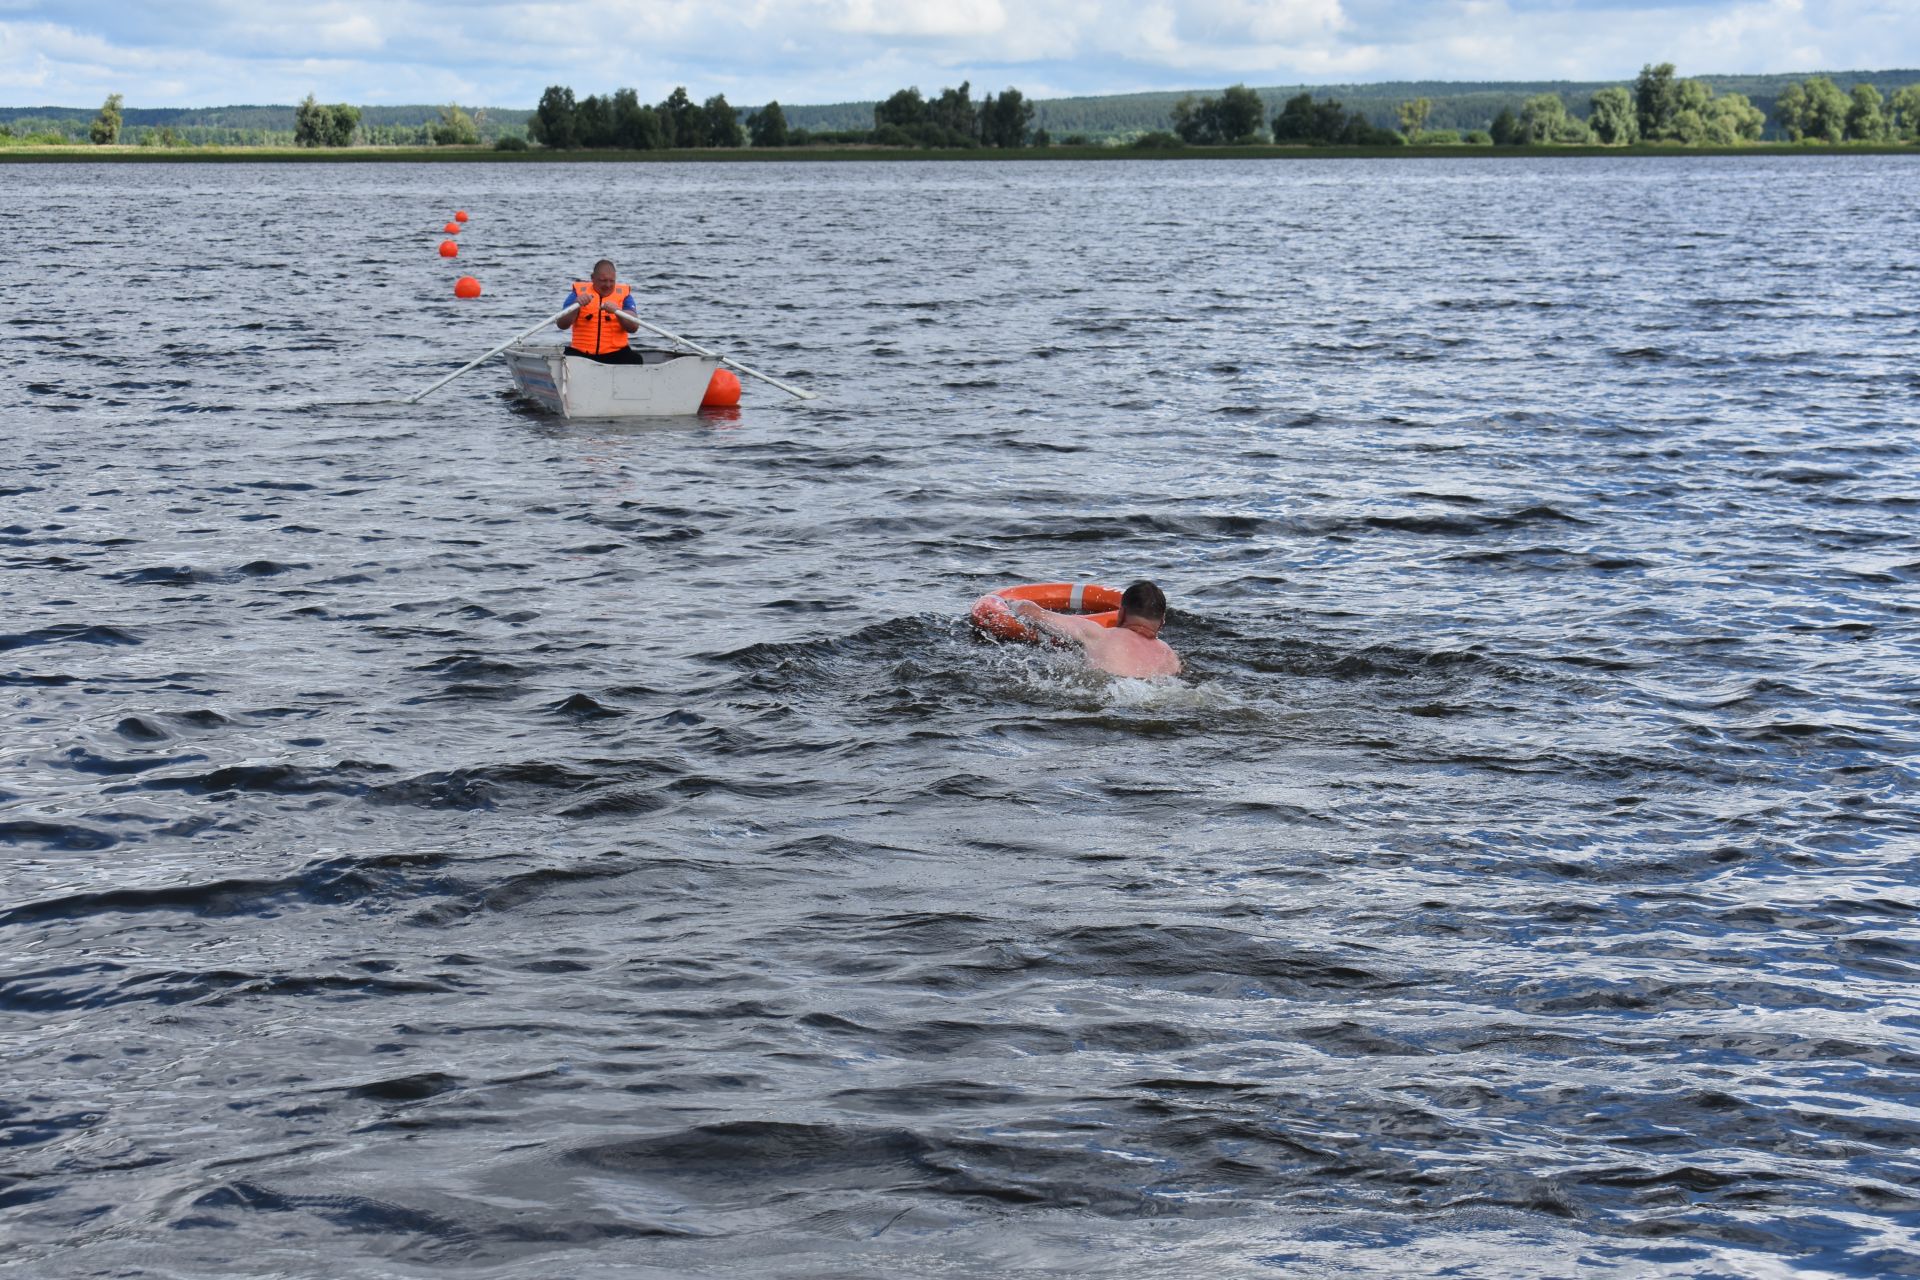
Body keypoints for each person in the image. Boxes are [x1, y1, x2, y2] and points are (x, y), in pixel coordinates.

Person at [1007, 580, 1182, 678]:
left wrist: (1010, 603)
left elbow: (1031, 612)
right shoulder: (1170, 656)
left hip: (1110, 692)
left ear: (1121, 614)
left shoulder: (1097, 634)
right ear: (1162, 621)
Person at [557, 259, 642, 363]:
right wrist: (576, 305)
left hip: (616, 353)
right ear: (593, 278)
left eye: (612, 281)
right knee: (563, 362)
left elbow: (633, 327)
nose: (608, 285)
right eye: (603, 280)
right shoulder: (578, 293)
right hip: (581, 353)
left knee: (636, 360)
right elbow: (561, 324)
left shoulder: (624, 296)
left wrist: (618, 311)